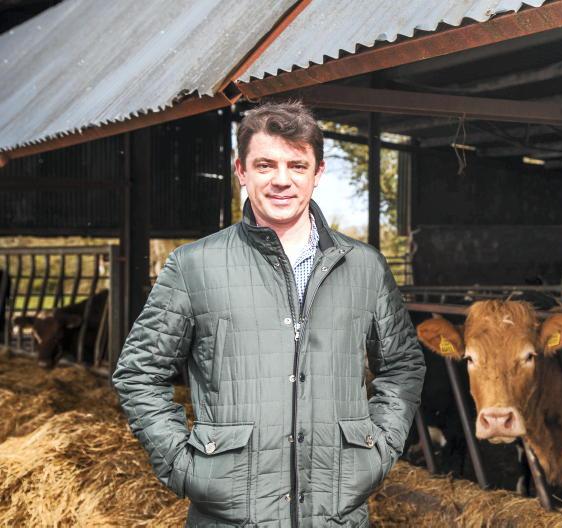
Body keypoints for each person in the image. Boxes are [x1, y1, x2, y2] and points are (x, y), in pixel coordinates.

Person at [112, 101, 426, 527]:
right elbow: (139, 372)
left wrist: (378, 450)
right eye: (265, 165)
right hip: (230, 516)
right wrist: (184, 465)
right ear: (241, 170)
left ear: (318, 173)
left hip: (336, 514)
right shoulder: (193, 265)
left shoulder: (365, 266)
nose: (281, 180)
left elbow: (403, 366)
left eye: (297, 166)